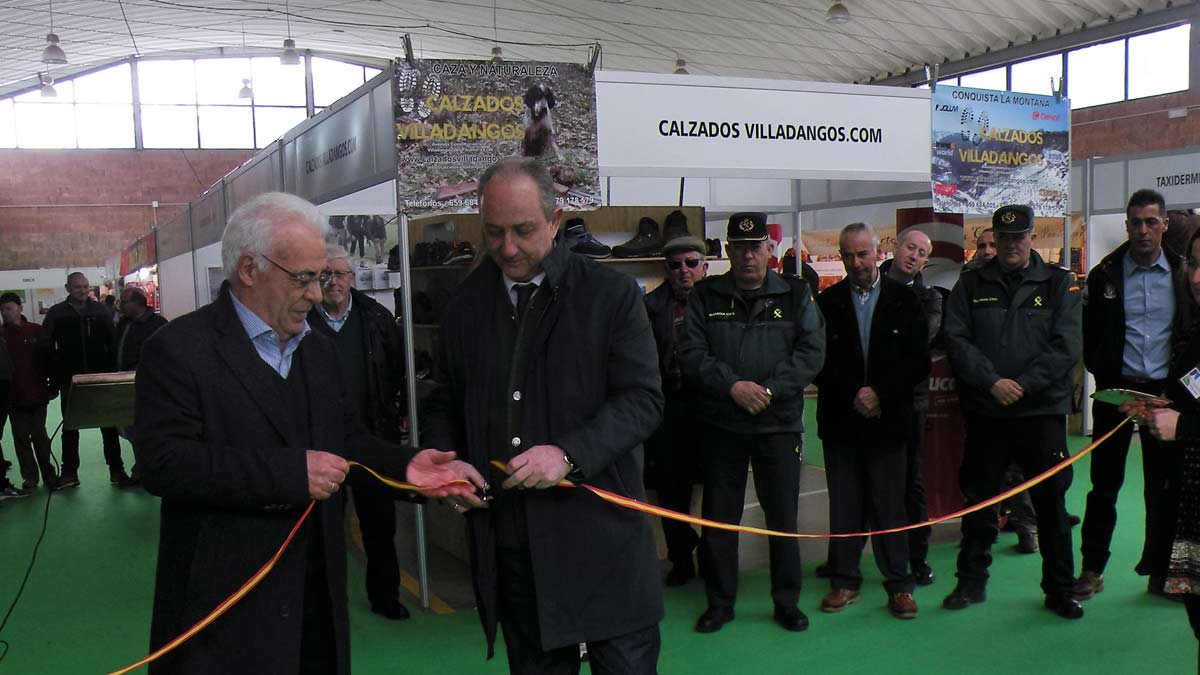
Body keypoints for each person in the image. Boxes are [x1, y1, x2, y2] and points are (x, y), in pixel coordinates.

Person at [133, 192, 484, 675]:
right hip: (225, 608)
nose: (317, 294)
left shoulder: (316, 350)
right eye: (302, 279)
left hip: (315, 598)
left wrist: (407, 465)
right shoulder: (178, 351)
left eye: (320, 278)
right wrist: (289, 474)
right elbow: (163, 461)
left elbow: (347, 441)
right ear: (249, 270)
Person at [422, 158, 665, 673]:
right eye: (494, 232)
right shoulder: (465, 305)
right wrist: (447, 461)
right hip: (516, 550)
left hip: (604, 541)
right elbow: (444, 398)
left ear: (555, 223)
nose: (507, 248)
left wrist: (569, 454)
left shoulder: (611, 296)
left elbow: (643, 400)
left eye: (524, 230)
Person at [679, 212, 825, 634]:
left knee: (783, 519)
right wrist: (733, 387)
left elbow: (811, 353)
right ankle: (720, 602)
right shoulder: (705, 296)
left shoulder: (796, 295)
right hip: (723, 424)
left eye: (756, 246)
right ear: (727, 251)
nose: (747, 255)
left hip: (777, 424)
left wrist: (769, 391)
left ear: (769, 250)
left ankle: (787, 602)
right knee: (720, 520)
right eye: (739, 247)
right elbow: (691, 353)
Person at [942, 204, 1084, 619]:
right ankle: (970, 582)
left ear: (1031, 238)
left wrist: (1023, 385)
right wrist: (992, 382)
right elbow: (957, 340)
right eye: (1003, 238)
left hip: (1040, 413)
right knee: (978, 501)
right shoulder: (970, 285)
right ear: (994, 240)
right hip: (988, 411)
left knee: (1052, 507)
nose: (1010, 245)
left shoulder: (1059, 284)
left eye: (1018, 237)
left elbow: (1066, 345)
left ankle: (1059, 589)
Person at [815, 223, 928, 619]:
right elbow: (818, 362)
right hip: (841, 423)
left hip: (889, 421)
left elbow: (917, 361)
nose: (856, 262)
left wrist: (879, 392)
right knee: (844, 507)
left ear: (878, 251)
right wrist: (854, 395)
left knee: (889, 506)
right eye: (848, 255)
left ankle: (899, 586)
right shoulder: (827, 303)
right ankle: (844, 582)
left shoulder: (905, 300)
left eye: (862, 254)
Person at [1075, 188, 1183, 601]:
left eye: (1151, 222)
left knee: (1162, 487)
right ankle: (1091, 569)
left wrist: (1169, 395)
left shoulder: (1180, 271)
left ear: (1165, 225)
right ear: (1126, 225)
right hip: (1116, 395)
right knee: (1104, 486)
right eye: (1135, 222)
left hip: (1164, 398)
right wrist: (1113, 386)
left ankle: (1160, 571)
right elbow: (1090, 342)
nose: (1143, 230)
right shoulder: (1105, 274)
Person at [309, 244, 413, 620]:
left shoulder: (376, 318)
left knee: (380, 527)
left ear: (352, 279)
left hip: (372, 438)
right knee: (326, 530)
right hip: (322, 443)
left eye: (339, 274)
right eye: (325, 275)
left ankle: (385, 598)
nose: (333, 282)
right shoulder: (303, 320)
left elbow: (398, 369)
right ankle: (327, 605)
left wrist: (398, 412)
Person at [1133, 225, 1200, 668]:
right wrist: (1158, 407)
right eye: (1194, 264)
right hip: (1191, 507)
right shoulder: (1195, 332)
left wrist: (1187, 427)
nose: (1196, 277)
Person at [643, 235, 708, 586]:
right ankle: (681, 557)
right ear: (666, 270)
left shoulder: (720, 302)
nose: (684, 270)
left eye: (691, 263)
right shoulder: (650, 307)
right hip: (669, 409)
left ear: (705, 266)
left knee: (718, 487)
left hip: (712, 408)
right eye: (675, 264)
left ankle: (714, 556)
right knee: (671, 491)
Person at [880, 227, 942, 585]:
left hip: (910, 403)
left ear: (925, 260)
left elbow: (919, 342)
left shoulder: (931, 299)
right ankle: (848, 559)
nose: (914, 255)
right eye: (910, 247)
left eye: (921, 252)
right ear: (896, 247)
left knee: (910, 484)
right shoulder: (869, 288)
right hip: (867, 400)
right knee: (866, 482)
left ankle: (917, 558)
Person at [41, 272, 128, 489]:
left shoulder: (101, 311)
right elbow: (45, 346)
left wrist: (114, 374)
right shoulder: (56, 313)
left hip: (101, 379)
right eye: (78, 287)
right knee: (70, 428)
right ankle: (70, 473)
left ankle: (117, 471)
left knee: (109, 427)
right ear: (67, 288)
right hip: (71, 382)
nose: (82, 290)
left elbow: (114, 342)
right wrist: (55, 375)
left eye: (86, 286)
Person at [1, 292, 57, 492]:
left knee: (40, 436)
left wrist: (53, 385)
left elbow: (49, 360)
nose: (4, 312)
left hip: (37, 394)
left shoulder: (36, 331)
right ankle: (30, 477)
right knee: (21, 438)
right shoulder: (1, 336)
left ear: (19, 308)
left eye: (8, 308)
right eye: (2, 309)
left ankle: (49, 476)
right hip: (13, 398)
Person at [115, 287, 169, 371]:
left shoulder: (158, 324)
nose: (120, 306)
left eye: (123, 302)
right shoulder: (123, 323)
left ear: (137, 302)